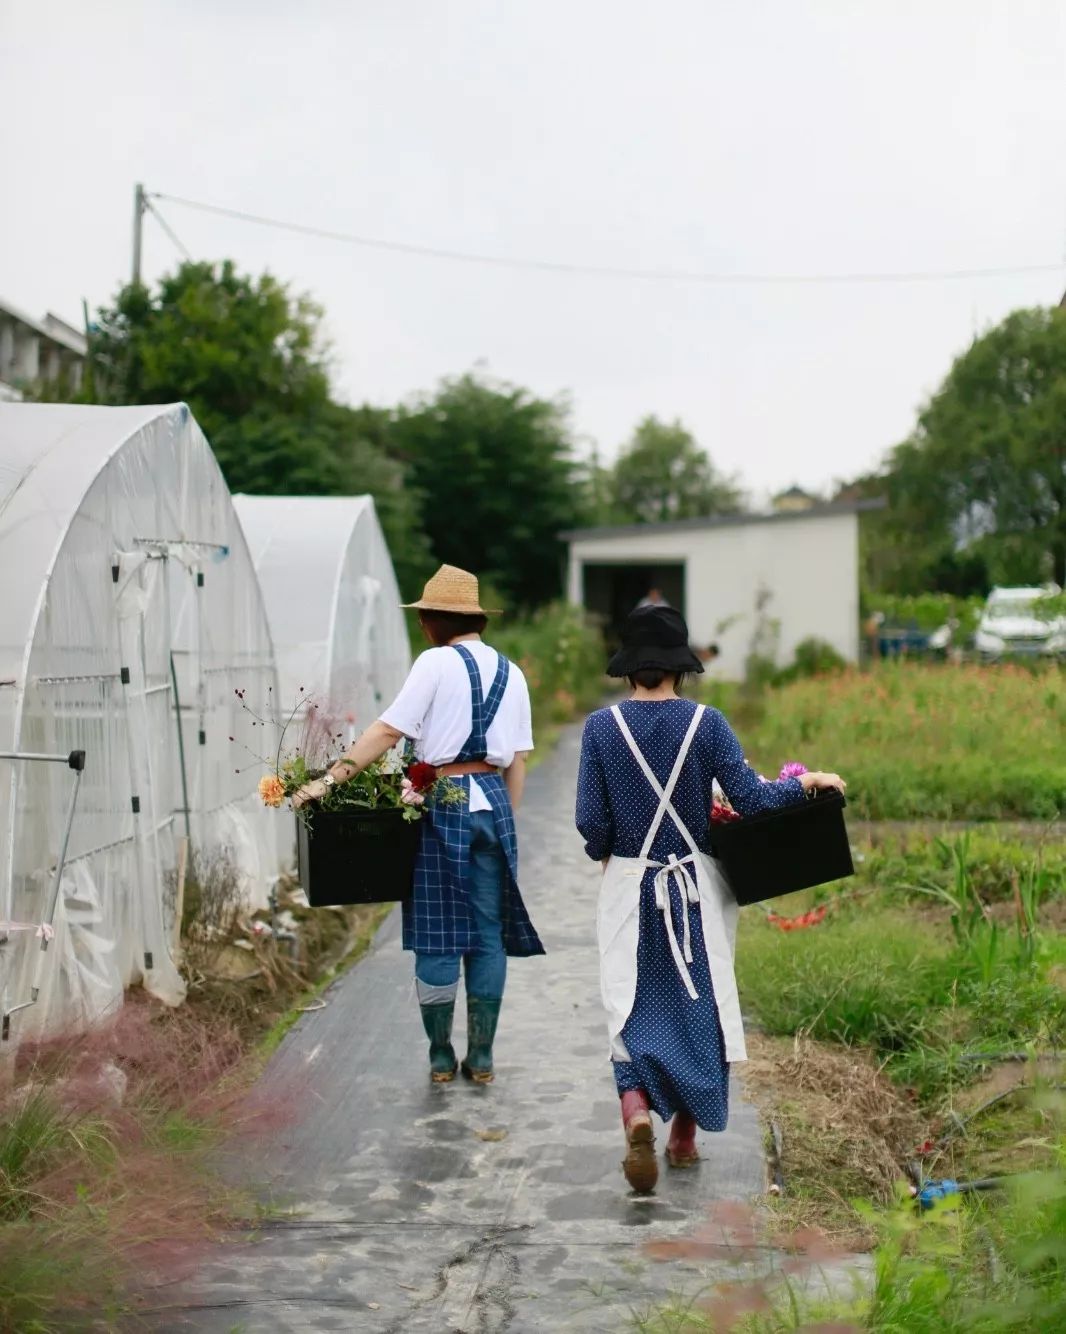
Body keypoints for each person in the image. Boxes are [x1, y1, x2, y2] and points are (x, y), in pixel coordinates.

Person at [576, 605, 844, 1193]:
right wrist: (805, 782)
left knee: (632, 1008)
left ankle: (637, 1113)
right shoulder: (708, 723)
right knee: (702, 1011)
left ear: (627, 670)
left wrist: (615, 853)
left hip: (630, 886)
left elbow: (591, 824)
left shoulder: (601, 729)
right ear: (681, 668)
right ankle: (683, 1139)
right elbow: (750, 799)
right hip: (695, 892)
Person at [294, 564, 544, 1084]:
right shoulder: (512, 673)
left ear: (434, 620)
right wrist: (504, 820)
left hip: (442, 800)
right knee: (487, 933)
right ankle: (482, 1057)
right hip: (493, 801)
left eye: (423, 619)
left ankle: (439, 1056)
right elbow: (517, 760)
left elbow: (387, 731)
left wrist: (328, 782)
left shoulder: (434, 663)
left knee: (436, 931)